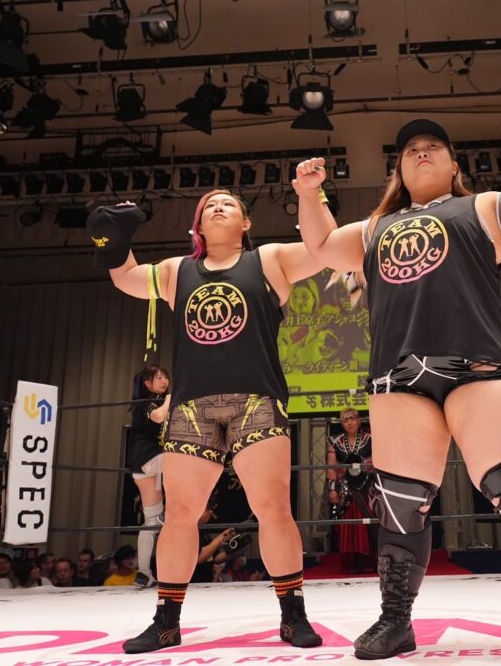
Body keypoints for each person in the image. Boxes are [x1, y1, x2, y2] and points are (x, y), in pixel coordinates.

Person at [294, 117, 501, 665]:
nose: (421, 153)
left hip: (481, 367)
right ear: (398, 170)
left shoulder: (484, 208)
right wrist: (310, 194)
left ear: (453, 164)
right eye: (410, 150)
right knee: (401, 504)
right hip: (398, 376)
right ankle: (396, 620)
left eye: (433, 147)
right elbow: (323, 245)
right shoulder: (375, 228)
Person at [89, 189, 326, 654]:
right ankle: (166, 622)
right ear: (196, 225)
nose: (218, 207)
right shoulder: (178, 270)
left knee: (273, 509)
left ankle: (293, 616)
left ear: (246, 222)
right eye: (209, 206)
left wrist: (310, 194)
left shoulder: (269, 260)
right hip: (192, 406)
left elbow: (322, 250)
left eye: (228, 204)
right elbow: (127, 278)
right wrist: (113, 236)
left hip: (256, 399)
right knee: (180, 515)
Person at [126, 365, 172, 587]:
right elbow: (158, 416)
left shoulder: (155, 401)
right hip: (149, 458)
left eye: (166, 377)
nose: (164, 381)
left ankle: (143, 573)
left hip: (145, 465)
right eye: (159, 378)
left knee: (152, 520)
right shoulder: (146, 403)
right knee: (186, 460)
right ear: (147, 383)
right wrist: (171, 398)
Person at [327, 408, 374, 573]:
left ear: (359, 420)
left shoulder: (370, 439)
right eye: (345, 420)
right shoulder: (335, 441)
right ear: (342, 423)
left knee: (369, 523)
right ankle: (350, 563)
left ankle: (370, 562)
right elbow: (331, 466)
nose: (349, 422)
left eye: (352, 418)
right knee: (348, 524)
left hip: (368, 488)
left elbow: (379, 461)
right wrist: (332, 489)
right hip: (346, 489)